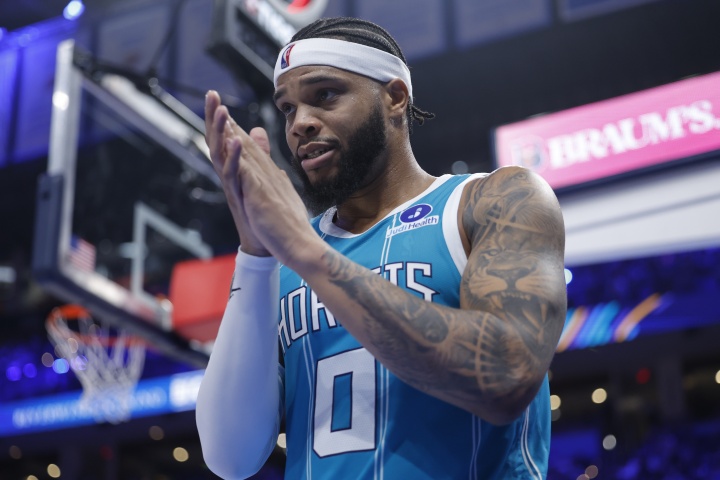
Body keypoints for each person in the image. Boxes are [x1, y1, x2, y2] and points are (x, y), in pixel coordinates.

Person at [196, 17, 567, 480]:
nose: (300, 124)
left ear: (395, 97)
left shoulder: (495, 200)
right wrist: (255, 256)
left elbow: (505, 377)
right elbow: (230, 457)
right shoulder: (284, 257)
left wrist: (307, 253)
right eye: (288, 109)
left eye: (324, 95)